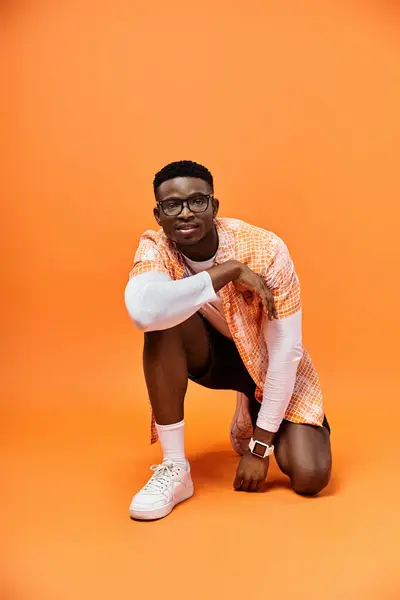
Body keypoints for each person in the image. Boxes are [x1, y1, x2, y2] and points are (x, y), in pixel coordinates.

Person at [124, 160, 332, 521]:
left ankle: (249, 413)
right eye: (173, 205)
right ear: (159, 215)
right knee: (161, 320)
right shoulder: (155, 248)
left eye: (197, 201)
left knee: (311, 476)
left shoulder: (265, 249)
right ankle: (175, 469)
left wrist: (260, 447)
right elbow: (143, 312)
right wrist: (228, 272)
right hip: (208, 355)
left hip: (267, 366)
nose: (186, 212)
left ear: (215, 206)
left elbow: (286, 354)